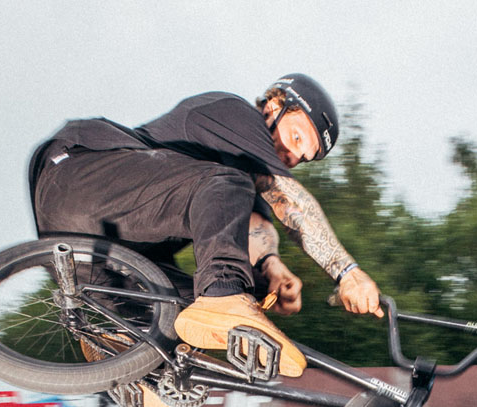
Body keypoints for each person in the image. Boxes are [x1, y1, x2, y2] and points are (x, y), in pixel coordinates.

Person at [29, 74, 382, 380]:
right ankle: (222, 297)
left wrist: (272, 267)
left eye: (302, 158)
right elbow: (287, 200)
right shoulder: (235, 113)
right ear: (275, 106)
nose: (292, 157)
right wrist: (347, 273)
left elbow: (256, 226)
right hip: (80, 174)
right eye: (297, 138)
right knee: (228, 194)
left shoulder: (237, 183)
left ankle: (128, 362)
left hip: (97, 252)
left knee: (238, 291)